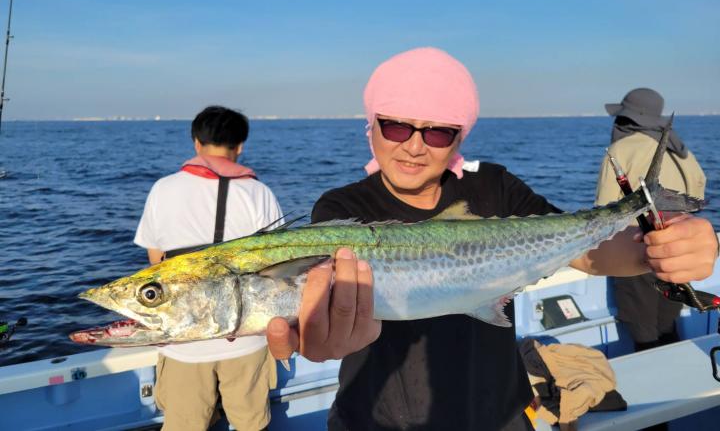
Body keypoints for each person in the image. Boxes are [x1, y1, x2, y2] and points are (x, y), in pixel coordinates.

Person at [264, 48, 719, 431]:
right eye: (396, 126)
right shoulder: (341, 211)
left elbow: (587, 253)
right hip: (377, 422)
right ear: (372, 125)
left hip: (501, 418)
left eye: (438, 131)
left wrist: (660, 249)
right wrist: (321, 337)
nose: (415, 146)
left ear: (459, 136)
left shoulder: (494, 188)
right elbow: (324, 312)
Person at [135, 106, 283, 431]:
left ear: (196, 143)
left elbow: (156, 263)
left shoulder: (163, 188)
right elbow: (277, 266)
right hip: (246, 335)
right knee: (251, 424)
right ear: (239, 146)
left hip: (183, 341)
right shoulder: (259, 193)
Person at [596, 88, 707, 351]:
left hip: (635, 246)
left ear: (626, 118)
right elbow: (699, 191)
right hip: (676, 249)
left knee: (642, 327)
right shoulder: (680, 150)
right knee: (668, 321)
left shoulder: (620, 149)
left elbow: (603, 211)